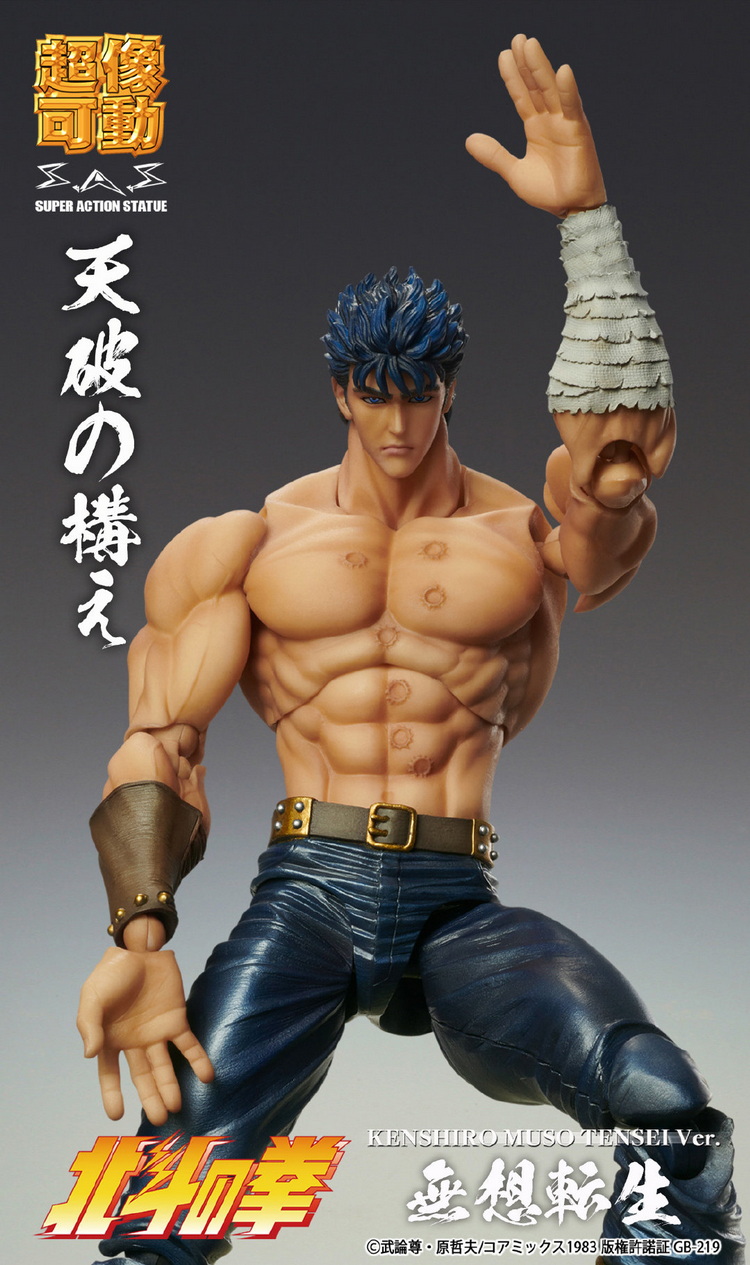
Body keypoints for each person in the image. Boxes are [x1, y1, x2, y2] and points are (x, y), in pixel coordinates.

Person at [78, 36, 743, 1265]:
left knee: (665, 1106)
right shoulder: (245, 543)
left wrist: (589, 224)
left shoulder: (520, 538)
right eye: (374, 391)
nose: (397, 419)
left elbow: (616, 476)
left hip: (456, 909)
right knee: (163, 1198)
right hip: (308, 894)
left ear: (450, 388)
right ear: (341, 390)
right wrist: (140, 936)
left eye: (419, 391)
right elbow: (160, 742)